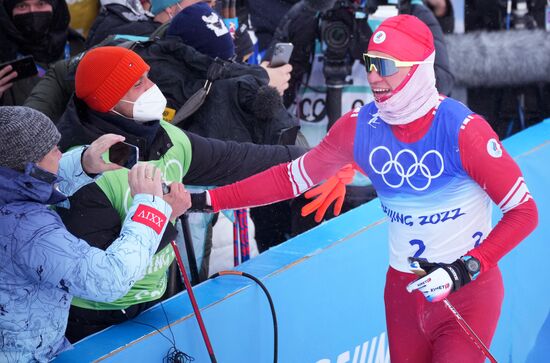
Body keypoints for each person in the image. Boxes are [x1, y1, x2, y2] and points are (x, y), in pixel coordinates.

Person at [189, 15, 539, 362]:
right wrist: (206, 200)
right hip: (404, 292)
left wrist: (465, 268)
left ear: (418, 68)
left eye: (386, 65)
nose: (373, 75)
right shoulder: (360, 127)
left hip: (466, 293)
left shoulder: (463, 131)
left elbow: (524, 211)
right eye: (370, 62)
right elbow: (289, 178)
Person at [52, 46, 307, 341]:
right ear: (109, 99)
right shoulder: (82, 171)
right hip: (94, 321)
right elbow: (103, 277)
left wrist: (313, 159)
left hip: (155, 302)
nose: (152, 87)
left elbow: (234, 159)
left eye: (148, 77)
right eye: (138, 83)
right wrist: (163, 216)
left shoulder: (164, 136)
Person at [0, 106, 188, 362]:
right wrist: (151, 207)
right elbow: (108, 280)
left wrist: (83, 163)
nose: (60, 149)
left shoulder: (10, 187)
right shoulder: (30, 230)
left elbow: (27, 184)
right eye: (52, 148)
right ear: (30, 166)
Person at [0, 0, 85, 105]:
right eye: (22, 6)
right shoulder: (4, 57)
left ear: (56, 6)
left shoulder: (81, 49)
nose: (32, 12)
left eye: (40, 4)